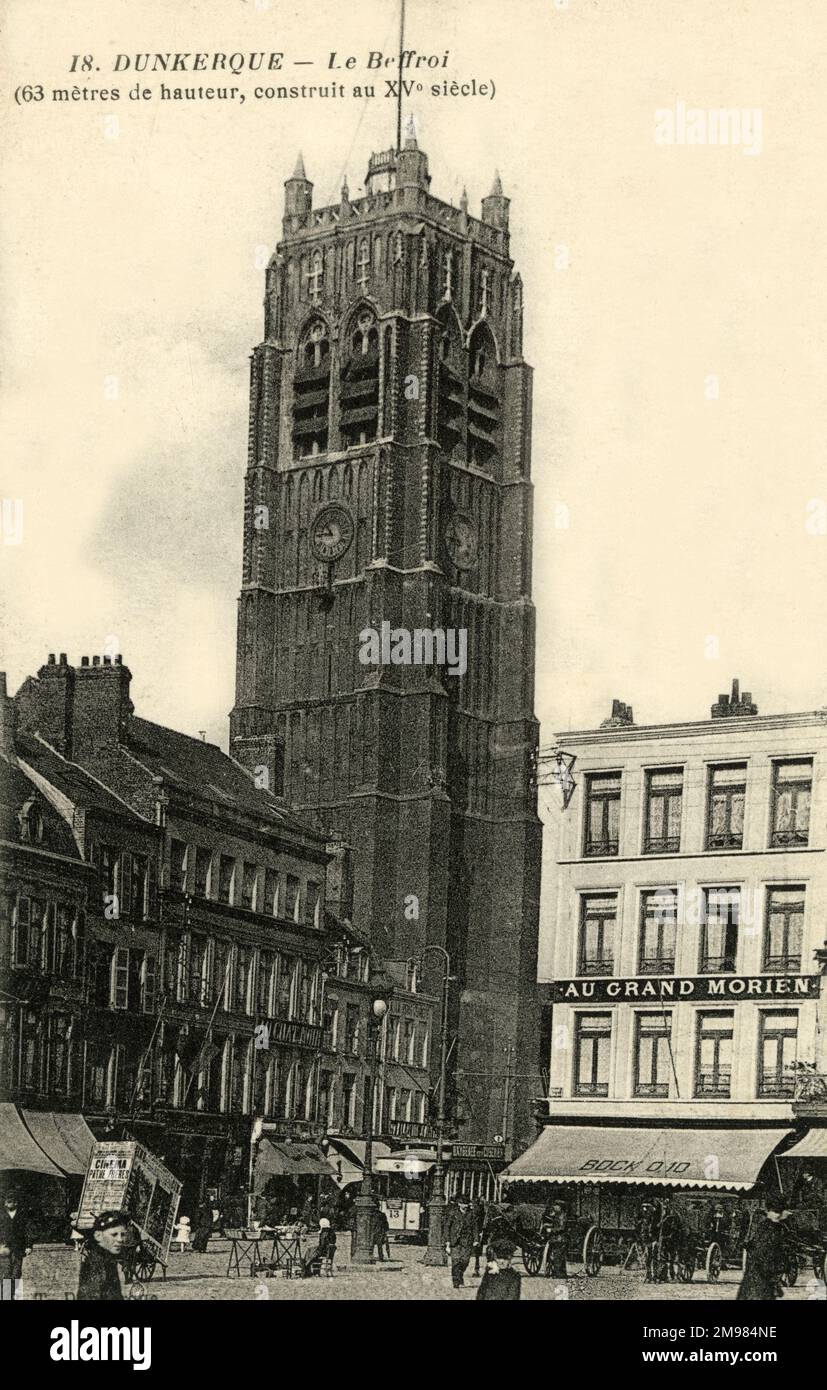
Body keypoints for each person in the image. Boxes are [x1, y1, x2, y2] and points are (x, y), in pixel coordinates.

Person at [737, 1198, 790, 1301]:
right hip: (763, 1275)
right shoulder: (773, 1229)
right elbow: (768, 1252)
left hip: (757, 1274)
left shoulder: (766, 1226)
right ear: (779, 1213)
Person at [77, 1210, 128, 1301]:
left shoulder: (107, 1259)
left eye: (123, 1234)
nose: (120, 1239)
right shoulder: (96, 1264)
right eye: (114, 1234)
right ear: (98, 1236)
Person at [0, 1191, 31, 1297]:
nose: (7, 1204)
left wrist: (28, 1246)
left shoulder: (22, 1215)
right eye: (6, 1202)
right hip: (4, 1247)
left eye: (9, 1202)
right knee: (6, 1271)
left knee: (17, 1271)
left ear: (15, 1203)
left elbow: (28, 1230)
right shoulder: (2, 1215)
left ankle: (15, 1293)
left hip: (19, 1246)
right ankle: (6, 1295)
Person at [446, 1195, 477, 1289]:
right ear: (459, 1204)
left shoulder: (472, 1214)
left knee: (465, 1261)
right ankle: (456, 1282)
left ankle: (460, 1275)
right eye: (463, 1204)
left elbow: (475, 1228)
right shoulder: (453, 1213)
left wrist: (476, 1240)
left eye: (466, 1204)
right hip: (454, 1241)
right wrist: (447, 1241)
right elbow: (447, 1227)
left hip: (467, 1241)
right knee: (455, 1262)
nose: (464, 1206)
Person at [541, 1199, 568, 1278]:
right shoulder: (557, 1215)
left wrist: (551, 1229)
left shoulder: (562, 1216)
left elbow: (561, 1228)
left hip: (560, 1238)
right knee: (556, 1255)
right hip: (556, 1237)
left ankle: (559, 1273)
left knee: (558, 1256)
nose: (554, 1207)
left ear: (560, 1207)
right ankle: (556, 1272)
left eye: (556, 1206)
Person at [472, 1199, 487, 1276]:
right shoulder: (477, 1211)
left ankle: (476, 1268)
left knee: (477, 1250)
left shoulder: (480, 1212)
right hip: (477, 1230)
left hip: (479, 1230)